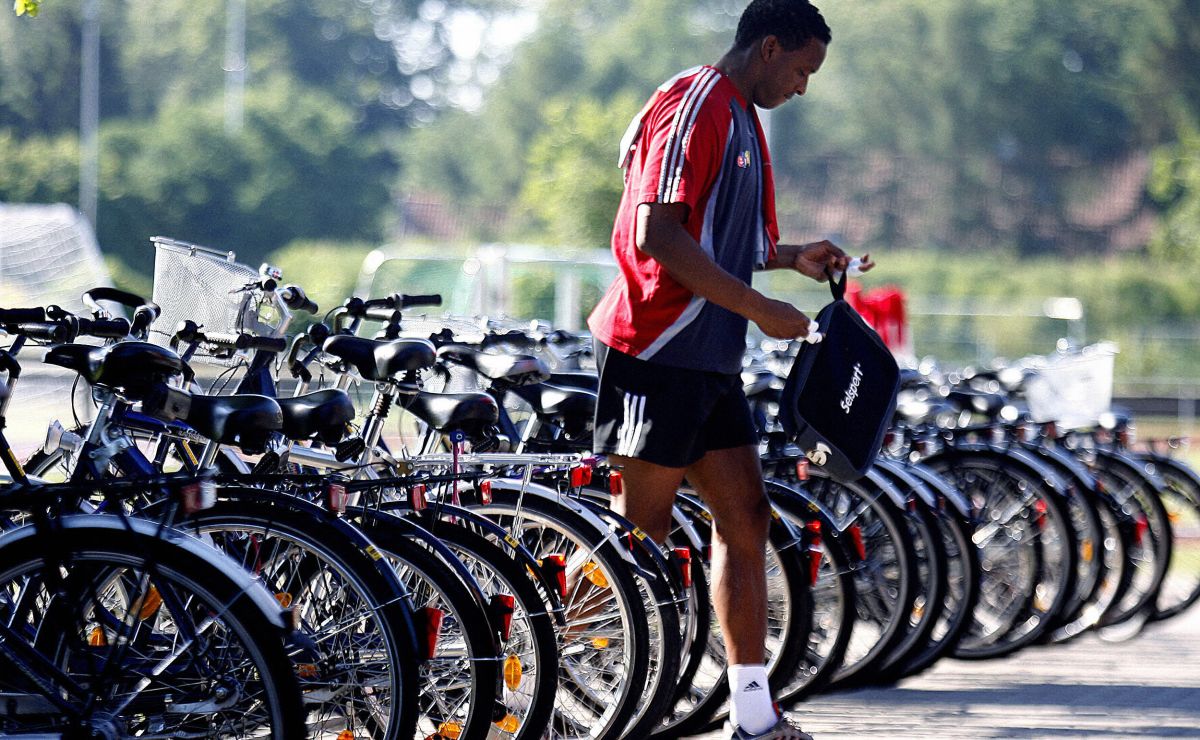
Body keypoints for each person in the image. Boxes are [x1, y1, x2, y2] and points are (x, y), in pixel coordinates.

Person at [586, 1, 873, 738]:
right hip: (656, 349)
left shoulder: (744, 117)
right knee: (637, 538)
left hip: (710, 358)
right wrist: (758, 306)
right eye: (803, 70)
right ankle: (565, 676)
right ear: (769, 47)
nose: (804, 87)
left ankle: (751, 713)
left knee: (746, 520)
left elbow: (719, 239)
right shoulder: (695, 101)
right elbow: (659, 232)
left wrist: (791, 255)